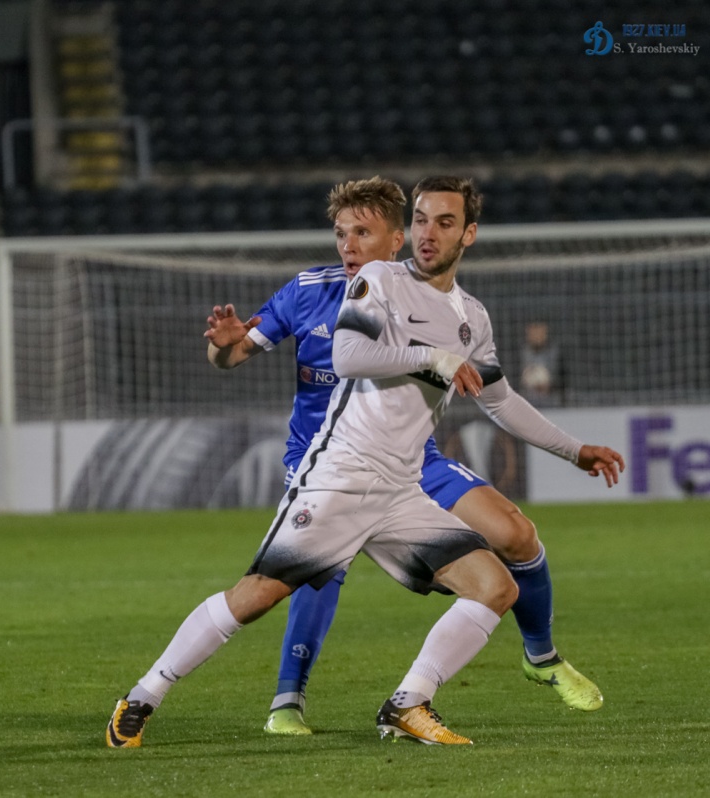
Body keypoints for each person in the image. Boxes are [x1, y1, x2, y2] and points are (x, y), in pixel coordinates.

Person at [106, 176, 625, 748]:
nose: (429, 233)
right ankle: (143, 697)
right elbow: (350, 355)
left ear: (468, 234)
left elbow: (499, 400)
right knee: (257, 595)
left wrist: (575, 450)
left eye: (444, 222)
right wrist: (436, 359)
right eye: (423, 220)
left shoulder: (472, 317)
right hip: (341, 476)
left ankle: (409, 703)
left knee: (494, 586)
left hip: (402, 487)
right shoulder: (378, 280)